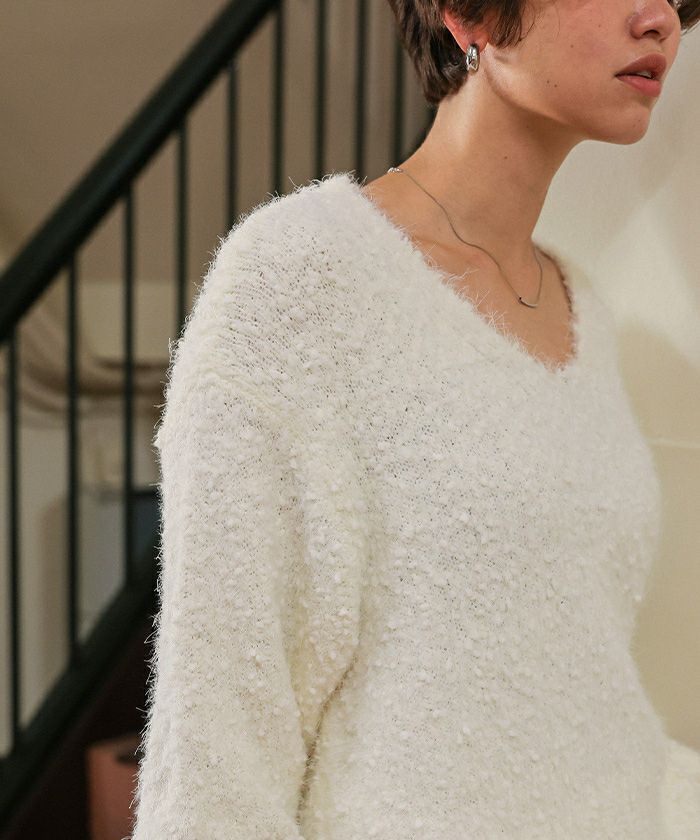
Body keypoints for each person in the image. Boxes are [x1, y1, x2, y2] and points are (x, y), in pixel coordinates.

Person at [130, 1, 700, 838]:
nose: (661, 21)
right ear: (469, 12)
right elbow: (220, 750)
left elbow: (571, 686)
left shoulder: (585, 309)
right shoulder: (299, 280)